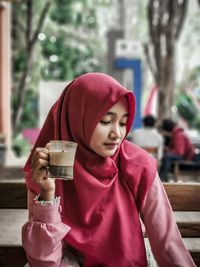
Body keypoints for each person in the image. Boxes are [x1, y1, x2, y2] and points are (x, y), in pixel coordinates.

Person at [22, 73, 196, 267]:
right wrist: (47, 194)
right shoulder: (48, 168)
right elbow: (45, 263)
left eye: (123, 123)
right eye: (105, 121)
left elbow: (168, 245)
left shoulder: (137, 166)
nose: (117, 134)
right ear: (76, 118)